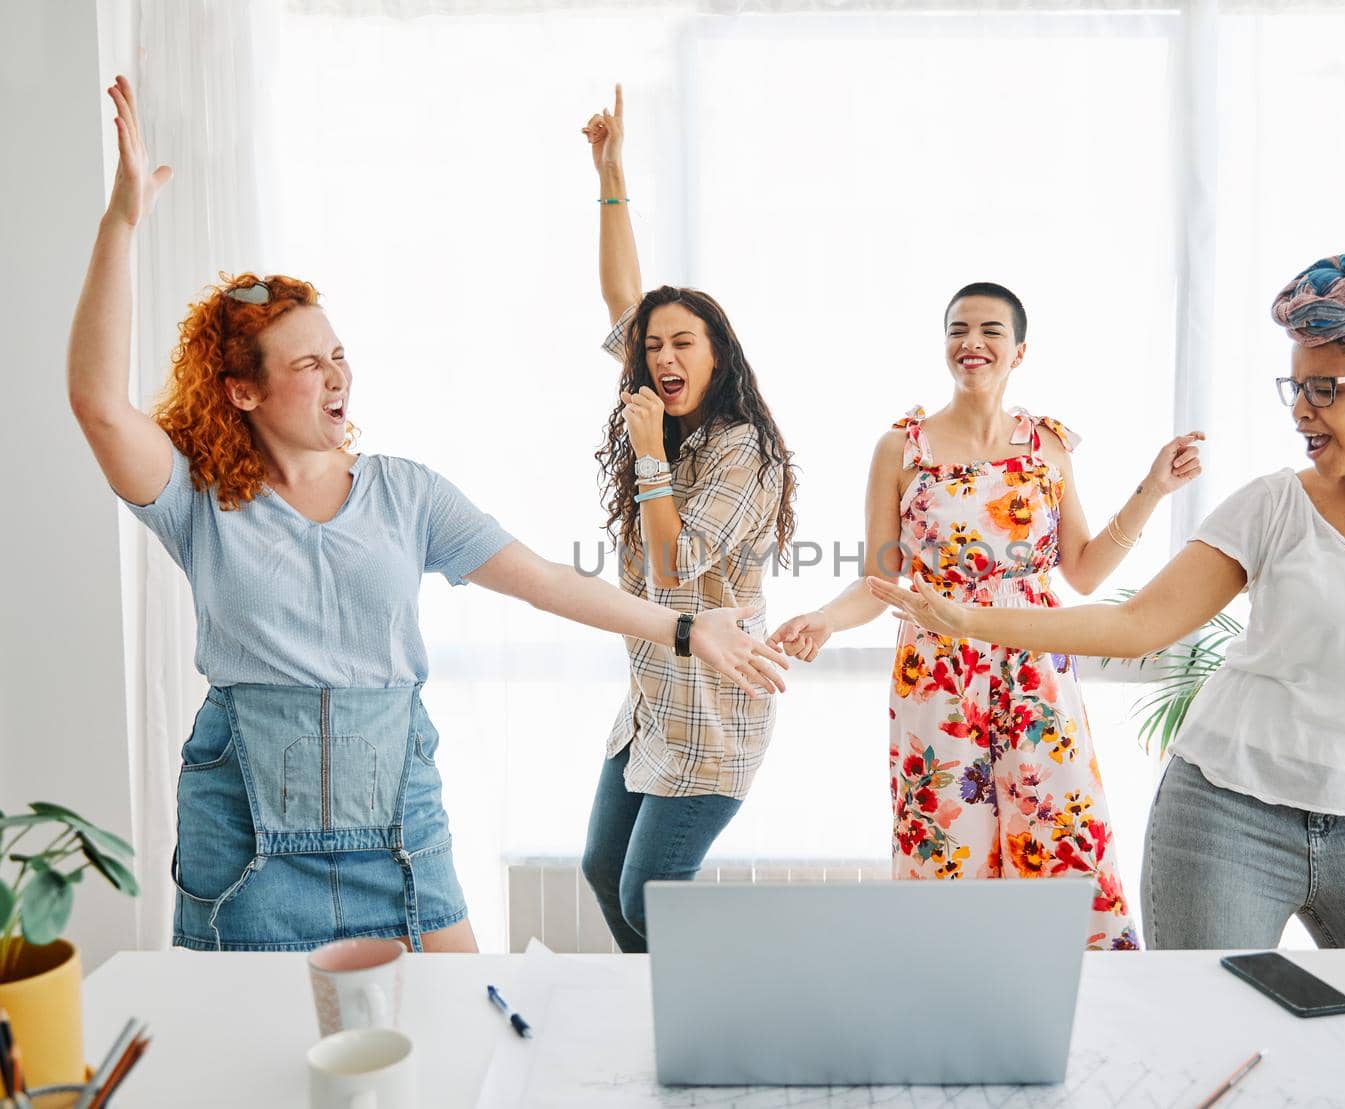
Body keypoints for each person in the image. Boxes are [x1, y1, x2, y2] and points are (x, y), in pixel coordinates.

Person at [67, 76, 787, 953]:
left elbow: (545, 582)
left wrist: (687, 631)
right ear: (242, 390)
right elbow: (100, 404)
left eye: (339, 354)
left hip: (396, 822)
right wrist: (123, 220)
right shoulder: (198, 502)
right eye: (307, 364)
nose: (337, 375)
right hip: (247, 829)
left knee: (462, 1030)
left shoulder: (406, 492)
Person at [870, 252, 1345, 959]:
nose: (1302, 413)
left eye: (1325, 389)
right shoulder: (1273, 505)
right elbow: (1136, 623)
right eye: (1294, 390)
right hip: (1230, 813)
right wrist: (965, 619)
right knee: (1208, 1040)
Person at [771, 280, 1203, 950]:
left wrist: (1153, 489)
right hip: (938, 672)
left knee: (1056, 829)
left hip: (1035, 660)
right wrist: (826, 618)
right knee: (947, 843)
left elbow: (1083, 570)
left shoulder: (1046, 446)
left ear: (1019, 351)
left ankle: (1080, 1005)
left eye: (990, 330)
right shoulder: (901, 448)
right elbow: (879, 579)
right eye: (957, 329)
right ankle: (954, 1006)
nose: (971, 342)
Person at [578, 86, 799, 951]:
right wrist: (610, 175)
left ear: (719, 356)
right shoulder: (663, 420)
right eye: (654, 346)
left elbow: (675, 571)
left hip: (713, 714)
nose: (662, 356)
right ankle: (655, 1011)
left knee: (648, 900)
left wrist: (648, 458)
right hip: (651, 700)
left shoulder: (745, 451)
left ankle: (711, 1014)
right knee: (603, 870)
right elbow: (621, 293)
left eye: (684, 344)